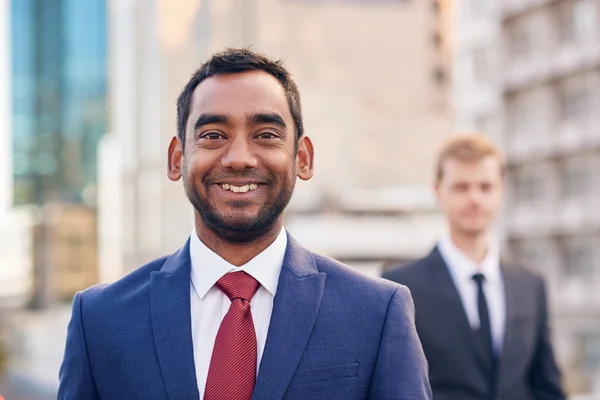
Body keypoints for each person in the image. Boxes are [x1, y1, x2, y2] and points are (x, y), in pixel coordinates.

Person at [58, 48, 431, 400]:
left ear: (302, 157)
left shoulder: (377, 313)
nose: (238, 158)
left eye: (266, 135)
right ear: (177, 159)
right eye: (213, 135)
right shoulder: (101, 320)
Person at [383, 133, 565, 400]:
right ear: (437, 192)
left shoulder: (531, 284)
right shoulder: (399, 288)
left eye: (485, 186)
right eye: (461, 187)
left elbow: (546, 386)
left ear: (501, 190)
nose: (474, 199)